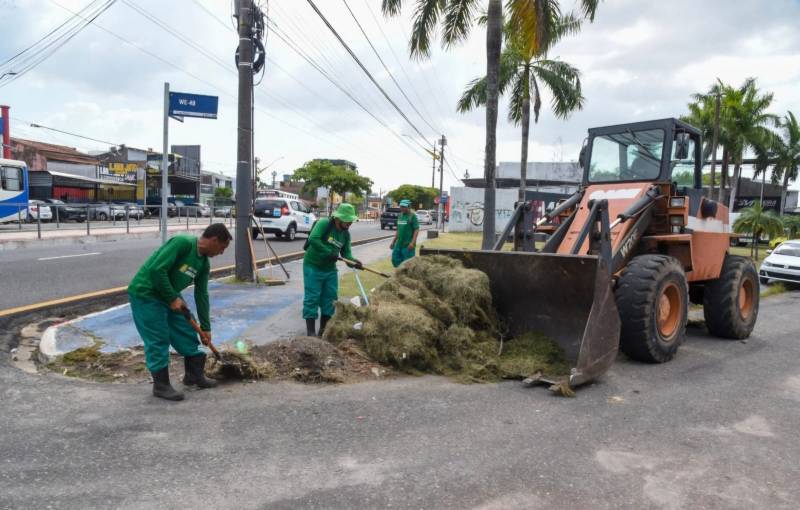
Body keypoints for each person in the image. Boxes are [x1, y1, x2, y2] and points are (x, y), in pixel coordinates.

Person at [128, 223, 232, 401]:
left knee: (186, 329)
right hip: (146, 294)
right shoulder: (183, 243)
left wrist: (206, 327)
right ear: (214, 240)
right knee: (158, 338)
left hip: (169, 297)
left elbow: (202, 294)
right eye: (222, 248)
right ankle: (161, 386)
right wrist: (171, 298)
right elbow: (156, 270)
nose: (221, 253)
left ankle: (193, 376)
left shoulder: (203, 263)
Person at [303, 203, 363, 337]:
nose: (349, 223)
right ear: (338, 218)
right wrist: (328, 251)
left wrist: (354, 262)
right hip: (313, 266)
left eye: (351, 220)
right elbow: (313, 238)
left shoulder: (345, 235)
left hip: (330, 269)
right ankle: (311, 333)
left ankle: (323, 331)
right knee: (312, 298)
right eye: (347, 220)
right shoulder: (324, 223)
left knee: (330, 298)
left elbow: (346, 254)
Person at [390, 199, 419, 268]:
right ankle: (399, 273)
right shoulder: (400, 216)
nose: (401, 208)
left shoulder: (413, 216)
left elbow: (416, 229)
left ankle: (404, 275)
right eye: (401, 206)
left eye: (404, 207)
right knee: (394, 259)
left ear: (408, 207)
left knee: (407, 263)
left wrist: (412, 243)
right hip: (399, 244)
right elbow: (398, 230)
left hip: (407, 245)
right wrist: (393, 241)